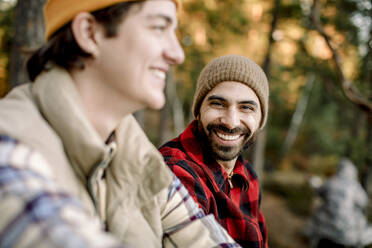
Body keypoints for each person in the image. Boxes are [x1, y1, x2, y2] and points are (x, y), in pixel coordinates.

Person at [0, 1, 241, 247]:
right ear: (89, 33)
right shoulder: (10, 148)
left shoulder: (141, 160)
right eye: (159, 28)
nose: (177, 54)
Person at [159, 54, 269, 247]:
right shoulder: (175, 171)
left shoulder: (248, 176)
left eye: (246, 108)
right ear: (198, 111)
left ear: (260, 120)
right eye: (218, 104)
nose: (231, 121)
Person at [306, 158, 372, 248]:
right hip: (346, 230)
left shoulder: (331, 182)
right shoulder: (354, 186)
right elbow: (363, 202)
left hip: (326, 227)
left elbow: (320, 192)